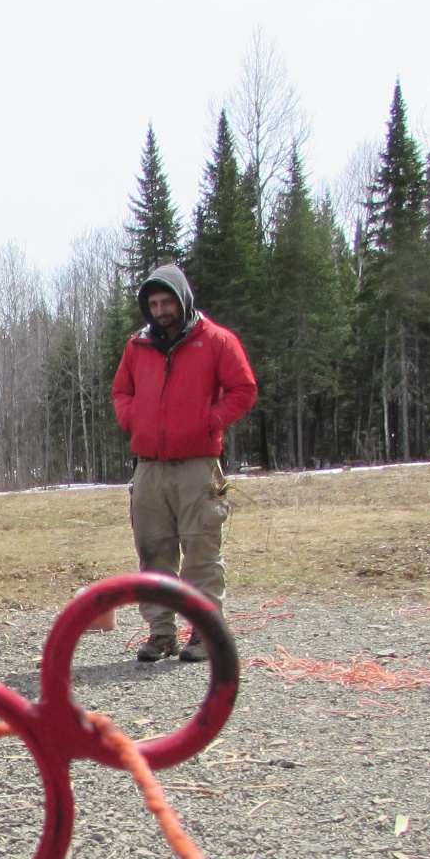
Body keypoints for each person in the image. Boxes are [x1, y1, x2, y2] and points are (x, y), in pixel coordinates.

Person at [111, 264, 259, 661]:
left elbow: (244, 389)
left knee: (201, 550)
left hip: (197, 465)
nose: (161, 311)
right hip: (149, 467)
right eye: (154, 304)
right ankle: (161, 633)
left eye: (167, 302)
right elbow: (121, 392)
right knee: (153, 549)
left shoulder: (216, 340)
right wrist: (133, 418)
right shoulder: (136, 346)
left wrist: (209, 421)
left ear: (183, 299)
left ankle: (205, 632)